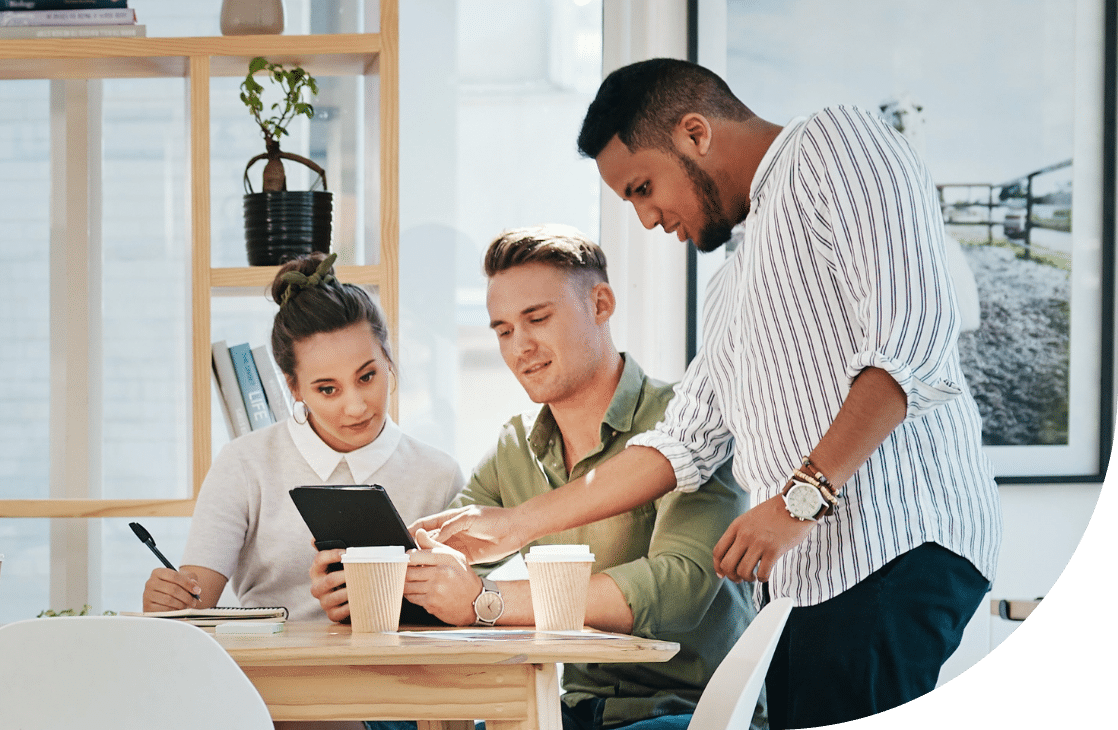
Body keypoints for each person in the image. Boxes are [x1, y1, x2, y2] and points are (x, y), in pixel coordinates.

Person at [418, 60, 1003, 729]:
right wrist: (517, 523)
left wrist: (799, 497)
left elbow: (912, 345)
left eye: (642, 187)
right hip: (807, 580)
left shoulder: (833, 144)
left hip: (893, 549)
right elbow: (681, 443)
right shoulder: (735, 282)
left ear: (695, 133)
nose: (644, 218)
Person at [312, 225, 760, 730]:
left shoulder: (685, 427)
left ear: (601, 303)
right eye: (503, 330)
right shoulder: (514, 448)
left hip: (685, 712)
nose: (520, 346)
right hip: (566, 707)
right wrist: (371, 589)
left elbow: (678, 589)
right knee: (390, 718)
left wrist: (485, 603)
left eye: (538, 319)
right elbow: (449, 572)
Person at [141, 252, 463, 624]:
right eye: (328, 389)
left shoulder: (439, 476)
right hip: (268, 676)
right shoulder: (245, 464)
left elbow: (458, 615)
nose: (356, 406)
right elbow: (194, 603)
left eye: (367, 377)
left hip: (403, 675)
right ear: (293, 386)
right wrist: (171, 598)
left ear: (387, 358)